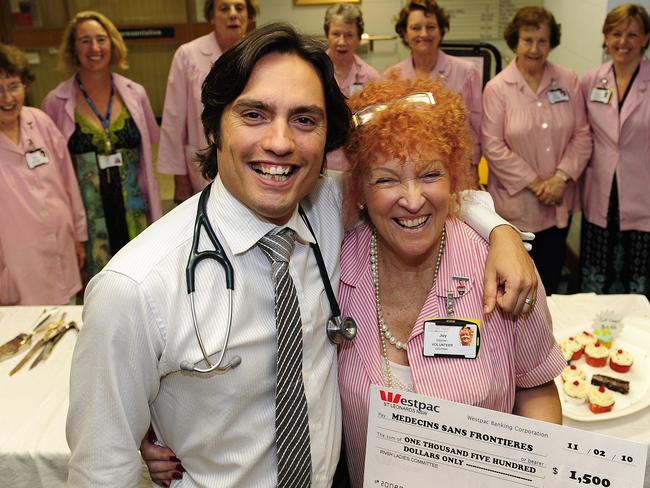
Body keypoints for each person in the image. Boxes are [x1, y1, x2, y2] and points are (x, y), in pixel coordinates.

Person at [69, 24, 538, 487]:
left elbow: (427, 188)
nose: (280, 142)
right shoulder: (132, 290)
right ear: (213, 127)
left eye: (304, 120)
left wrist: (501, 232)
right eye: (254, 114)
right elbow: (100, 473)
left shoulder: (330, 207)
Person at [336, 77, 564, 488]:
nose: (411, 199)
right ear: (359, 190)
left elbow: (536, 389)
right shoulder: (332, 270)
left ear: (454, 176)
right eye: (386, 179)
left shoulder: (500, 269)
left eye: (429, 174)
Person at [42, 11, 162, 281]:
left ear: (113, 44)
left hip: (135, 213)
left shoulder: (135, 93)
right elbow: (55, 171)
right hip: (90, 219)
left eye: (100, 39)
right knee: (97, 290)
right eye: (84, 41)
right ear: (73, 48)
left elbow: (149, 154)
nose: (94, 48)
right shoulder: (55, 103)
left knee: (141, 282)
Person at [481, 6, 592, 295]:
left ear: (551, 42)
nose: (534, 48)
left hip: (557, 202)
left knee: (551, 282)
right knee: (517, 287)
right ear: (515, 41)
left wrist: (560, 179)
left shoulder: (569, 80)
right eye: (527, 40)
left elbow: (582, 135)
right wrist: (536, 183)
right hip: (516, 207)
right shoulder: (497, 88)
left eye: (542, 40)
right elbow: (493, 146)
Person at [0, 43, 87, 305]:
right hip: (16, 260)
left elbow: (68, 181)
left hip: (61, 245)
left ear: (25, 86)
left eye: (14, 86)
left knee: (65, 323)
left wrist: (78, 236)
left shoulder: (39, 121)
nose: (7, 98)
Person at [580, 3, 650, 297]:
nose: (623, 42)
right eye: (616, 33)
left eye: (632, 34)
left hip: (643, 191)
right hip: (602, 190)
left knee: (638, 273)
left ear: (646, 38)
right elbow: (582, 135)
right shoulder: (591, 79)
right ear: (606, 37)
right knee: (598, 271)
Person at [157, 0, 257, 203]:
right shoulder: (188, 55)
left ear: (249, 15)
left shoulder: (260, 55)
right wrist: (180, 176)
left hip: (250, 158)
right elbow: (174, 120)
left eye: (239, 8)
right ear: (211, 16)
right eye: (223, 8)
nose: (232, 14)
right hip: (202, 163)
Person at [385, 0, 482, 169]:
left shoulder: (467, 72)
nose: (424, 34)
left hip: (457, 167)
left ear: (441, 31)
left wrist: (473, 167)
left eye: (431, 27)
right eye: (416, 28)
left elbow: (478, 126)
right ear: (405, 33)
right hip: (409, 169)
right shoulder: (391, 76)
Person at [323, 3, 380, 171]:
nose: (342, 42)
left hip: (357, 166)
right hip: (319, 164)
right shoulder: (313, 71)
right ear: (327, 35)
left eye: (349, 35)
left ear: (359, 38)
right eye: (336, 34)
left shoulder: (371, 78)